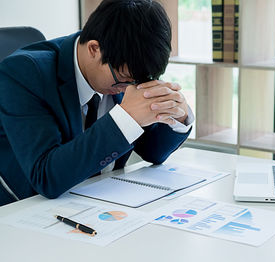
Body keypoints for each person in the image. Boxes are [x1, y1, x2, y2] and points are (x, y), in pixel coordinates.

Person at [0, 0, 194, 206]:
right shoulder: (23, 73)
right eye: (124, 78)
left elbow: (152, 152)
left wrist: (177, 117)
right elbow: (47, 177)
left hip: (97, 205)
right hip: (25, 210)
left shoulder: (125, 72)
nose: (129, 88)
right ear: (94, 49)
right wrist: (126, 118)